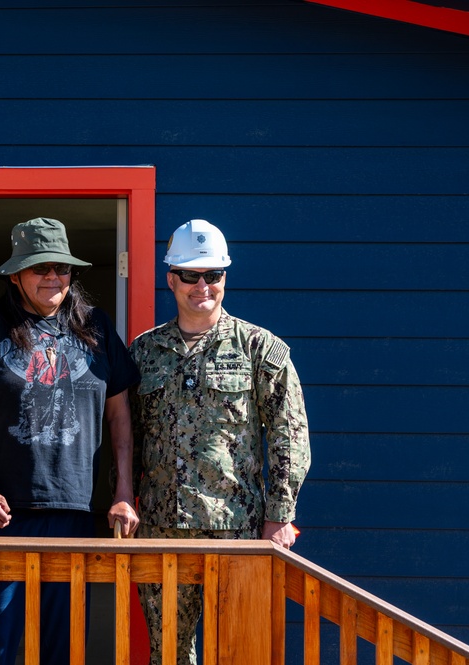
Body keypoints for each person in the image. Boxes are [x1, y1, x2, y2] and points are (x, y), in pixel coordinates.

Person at [0, 217, 140, 665]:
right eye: (40, 268)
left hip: (74, 515)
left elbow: (120, 415)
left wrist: (123, 491)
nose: (53, 277)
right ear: (15, 274)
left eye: (62, 268)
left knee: (65, 647)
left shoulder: (95, 327)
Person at [129, 218, 311, 665]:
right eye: (190, 275)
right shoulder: (143, 351)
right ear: (171, 279)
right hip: (162, 528)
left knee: (238, 649)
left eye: (213, 275)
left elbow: (290, 434)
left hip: (238, 530)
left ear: (224, 278)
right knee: (168, 654)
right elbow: (124, 435)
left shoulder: (259, 348)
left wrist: (279, 515)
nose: (202, 286)